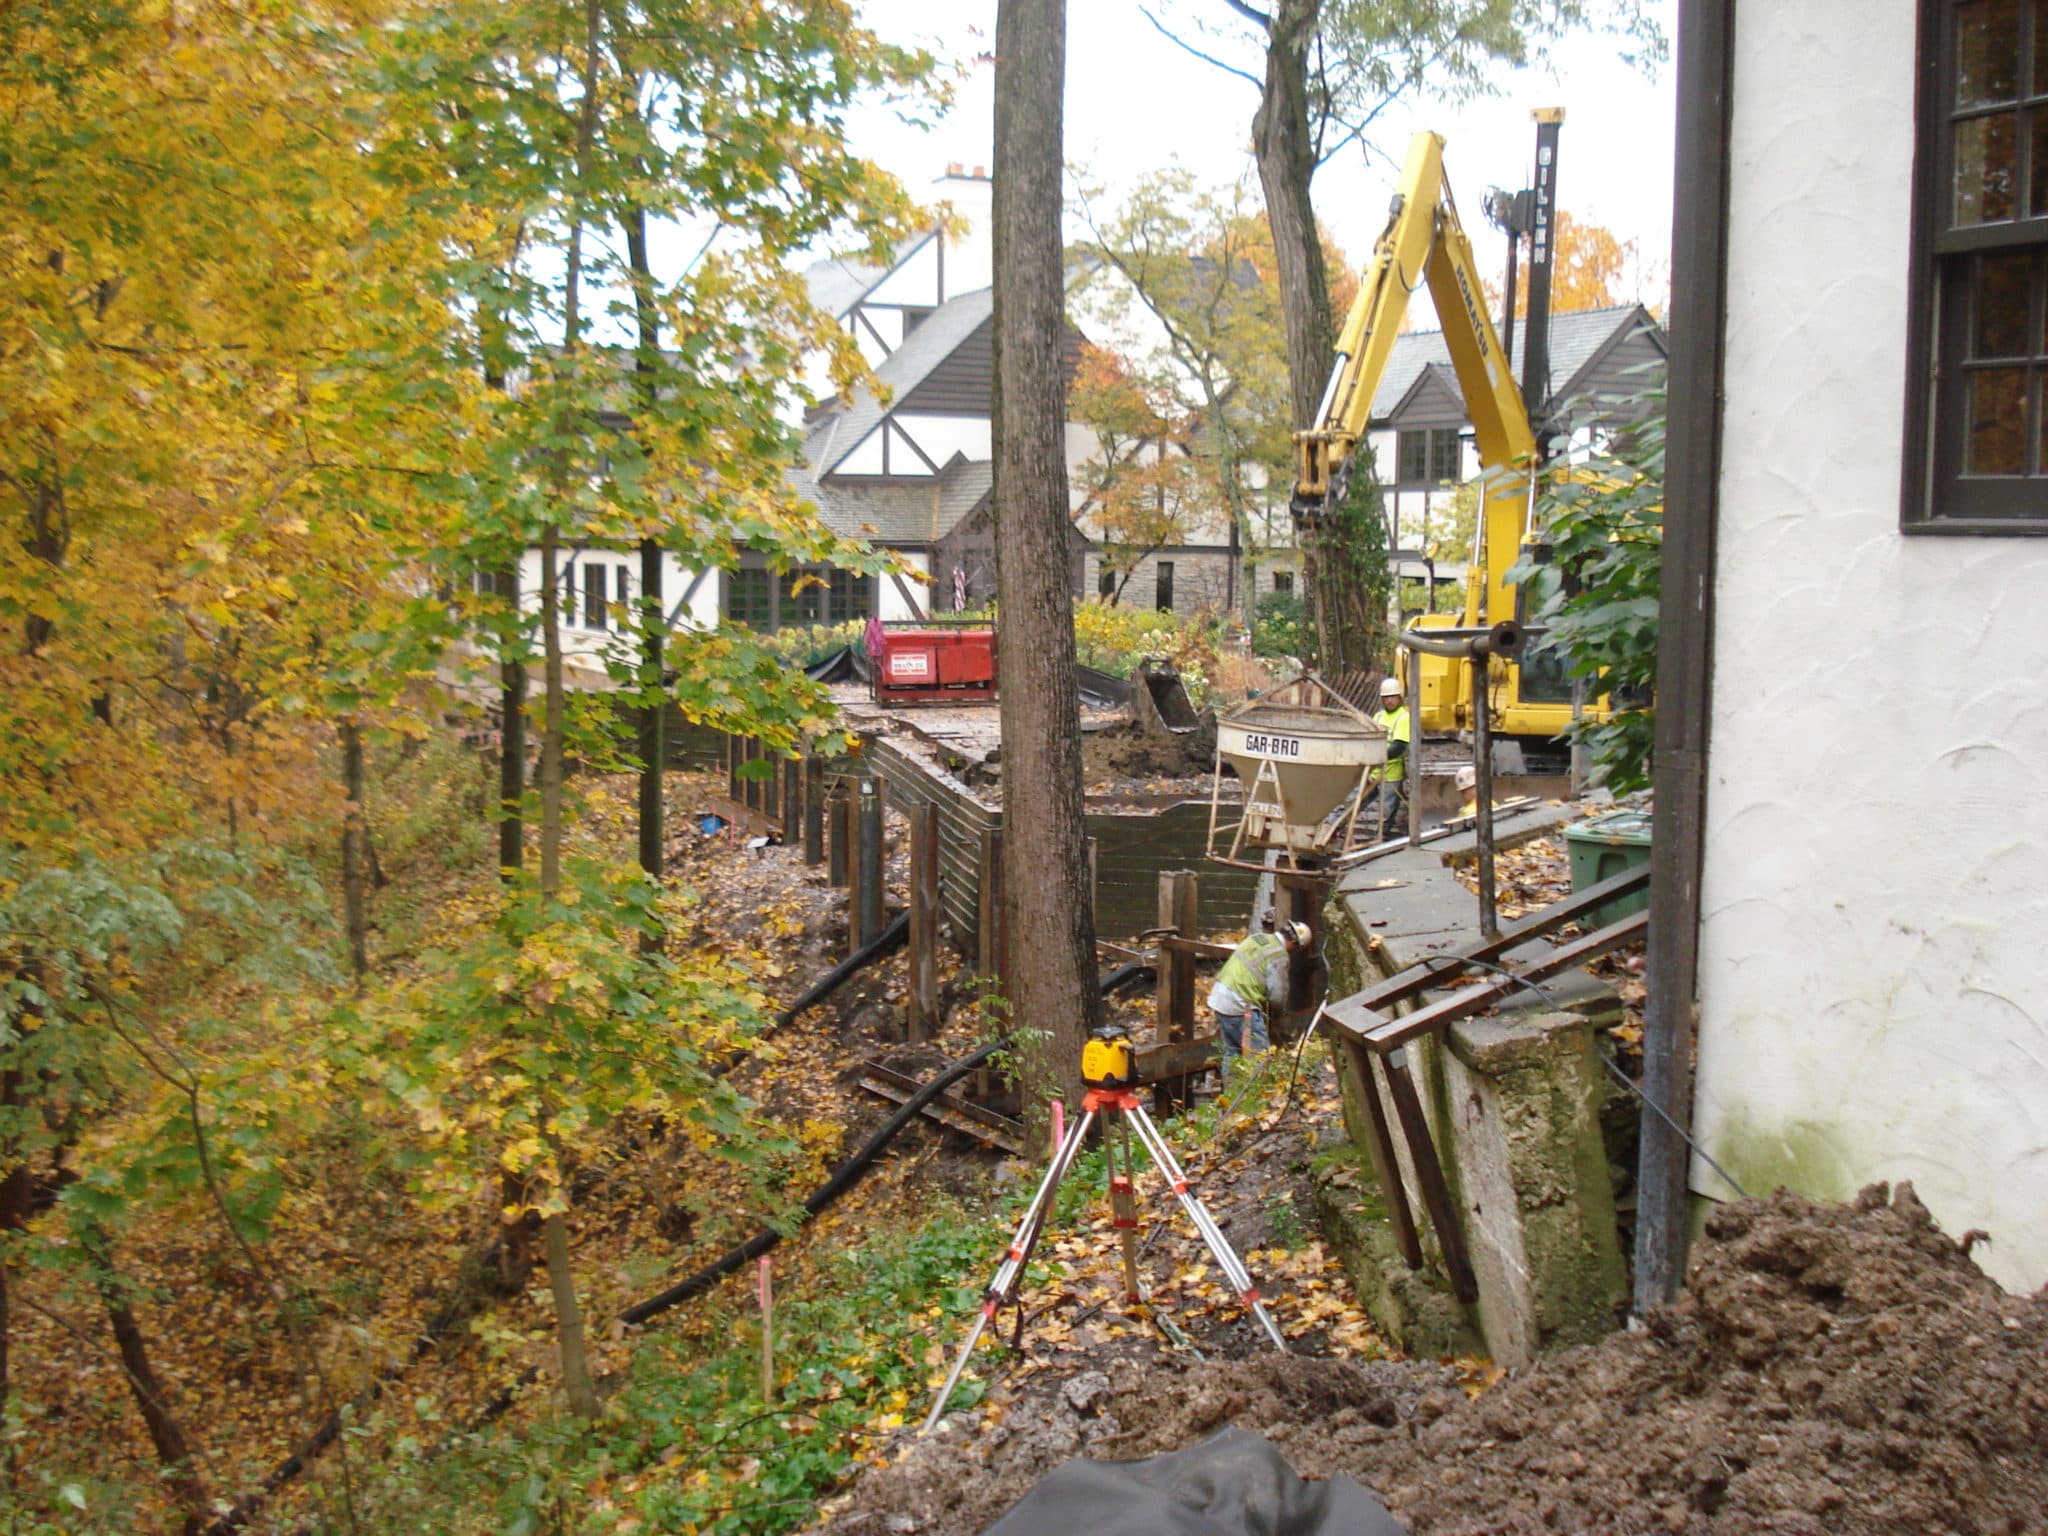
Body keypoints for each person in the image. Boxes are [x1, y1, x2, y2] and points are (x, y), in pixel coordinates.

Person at [1208, 919, 1309, 1080]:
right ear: (1294, 943)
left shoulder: (1257, 938)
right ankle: (1256, 1095)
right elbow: (1277, 996)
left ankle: (1231, 1093)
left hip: (1220, 997)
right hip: (1240, 1004)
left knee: (1233, 1051)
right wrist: (1277, 1016)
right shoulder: (1279, 955)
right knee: (1259, 1056)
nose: (1293, 952)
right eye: (1296, 949)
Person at [1374, 674, 1411, 836]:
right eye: (1386, 697)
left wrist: (1376, 755)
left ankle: (1383, 835)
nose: (1389, 701)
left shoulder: (1404, 717)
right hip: (1374, 770)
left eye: (1392, 697)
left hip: (1392, 772)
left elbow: (1398, 747)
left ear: (1399, 697)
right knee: (1359, 803)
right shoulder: (1378, 716)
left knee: (1388, 808)